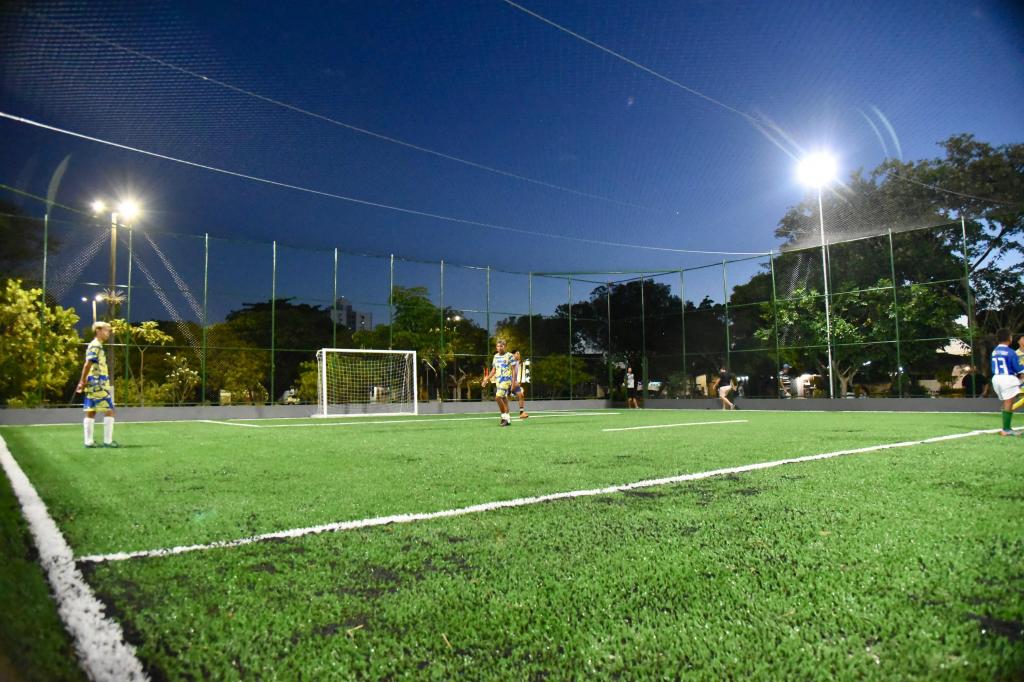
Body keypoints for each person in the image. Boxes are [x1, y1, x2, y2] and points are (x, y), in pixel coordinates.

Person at [75, 321, 118, 448]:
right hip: (98, 382)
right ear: (98, 330)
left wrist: (84, 381)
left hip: (94, 382)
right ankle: (108, 442)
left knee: (91, 411)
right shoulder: (96, 346)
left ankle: (88, 442)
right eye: (106, 330)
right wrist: (82, 381)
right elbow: (87, 364)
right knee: (109, 410)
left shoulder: (96, 345)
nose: (108, 333)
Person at [990, 328, 1024, 436]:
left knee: (1007, 402)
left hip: (996, 378)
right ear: (1009, 338)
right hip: (1007, 379)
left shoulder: (995, 351)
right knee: (1008, 403)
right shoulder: (1011, 352)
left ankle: (1006, 428)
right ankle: (1006, 429)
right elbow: (1017, 368)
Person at [482, 338, 518, 427]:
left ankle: (504, 417)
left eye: (501, 346)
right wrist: (486, 379)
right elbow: (493, 370)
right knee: (504, 399)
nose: (499, 348)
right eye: (498, 346)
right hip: (498, 380)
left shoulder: (510, 356)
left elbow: (514, 370)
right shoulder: (495, 356)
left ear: (505, 346)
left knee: (498, 397)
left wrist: (513, 382)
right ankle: (508, 419)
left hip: (506, 380)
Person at [509, 350, 529, 419]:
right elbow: (509, 373)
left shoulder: (517, 362)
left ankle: (521, 413)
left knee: (521, 395)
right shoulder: (510, 362)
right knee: (503, 397)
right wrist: (513, 382)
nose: (519, 355)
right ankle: (505, 414)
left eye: (519, 354)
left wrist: (515, 381)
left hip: (514, 381)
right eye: (517, 353)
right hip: (507, 381)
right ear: (513, 355)